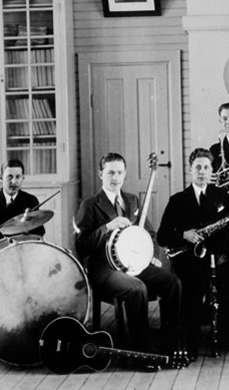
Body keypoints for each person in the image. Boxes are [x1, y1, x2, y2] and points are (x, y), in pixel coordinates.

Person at [74, 152, 183, 362]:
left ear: (125, 174)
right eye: (110, 173)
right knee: (137, 288)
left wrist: (150, 255)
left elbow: (150, 234)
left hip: (132, 265)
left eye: (119, 172)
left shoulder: (132, 200)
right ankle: (141, 352)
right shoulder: (90, 205)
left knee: (172, 282)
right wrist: (107, 227)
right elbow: (81, 246)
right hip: (105, 269)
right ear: (101, 174)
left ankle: (170, 345)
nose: (115, 178)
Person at [157, 148, 229, 360]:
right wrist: (184, 234)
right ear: (190, 170)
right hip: (187, 258)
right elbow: (162, 236)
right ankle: (192, 344)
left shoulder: (221, 196)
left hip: (215, 257)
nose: (202, 171)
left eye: (206, 167)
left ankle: (219, 338)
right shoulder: (178, 200)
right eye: (197, 167)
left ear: (212, 171)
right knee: (196, 285)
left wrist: (224, 254)